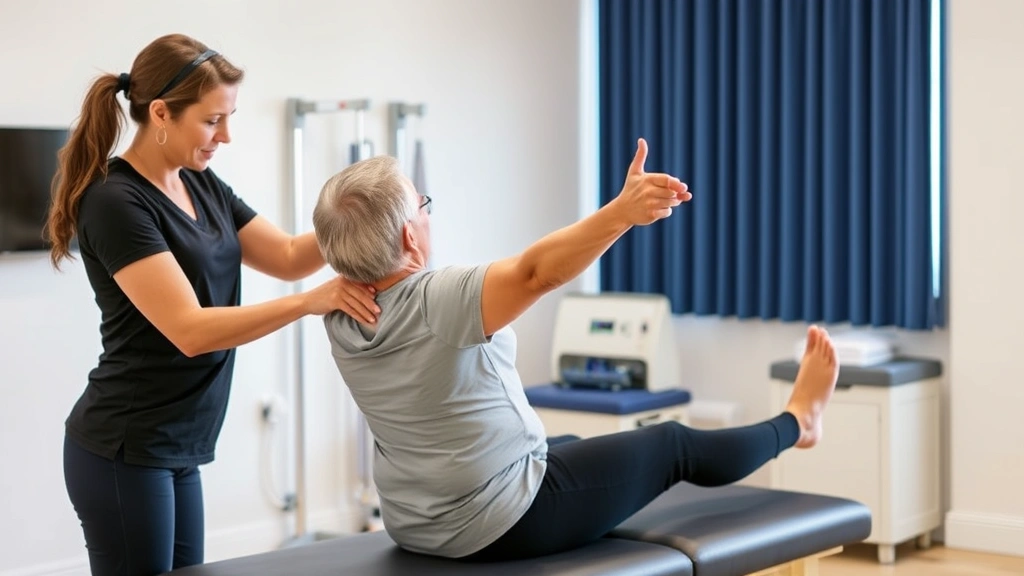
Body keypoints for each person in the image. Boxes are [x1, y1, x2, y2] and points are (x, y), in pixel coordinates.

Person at [311, 139, 841, 562]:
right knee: (671, 444)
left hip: (413, 521)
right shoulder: (436, 299)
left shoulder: (341, 316)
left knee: (563, 439)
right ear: (409, 236)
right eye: (423, 205)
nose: (429, 215)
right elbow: (538, 272)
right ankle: (798, 422)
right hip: (497, 523)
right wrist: (622, 212)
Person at [46, 34, 380, 576]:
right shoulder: (115, 201)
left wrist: (363, 209)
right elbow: (190, 330)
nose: (226, 135)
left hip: (179, 446)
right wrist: (307, 304)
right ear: (160, 113)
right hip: (125, 449)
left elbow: (293, 255)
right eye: (212, 120)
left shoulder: (202, 183)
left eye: (229, 118)